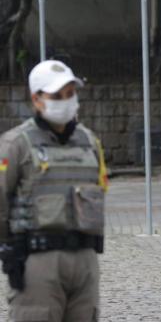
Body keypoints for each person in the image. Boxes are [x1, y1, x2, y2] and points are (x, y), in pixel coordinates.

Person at [0, 60, 108, 321]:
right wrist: (10, 250)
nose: (66, 101)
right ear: (37, 99)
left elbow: (101, 187)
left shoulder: (90, 142)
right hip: (38, 259)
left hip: (85, 260)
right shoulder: (16, 144)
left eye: (70, 94)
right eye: (57, 96)